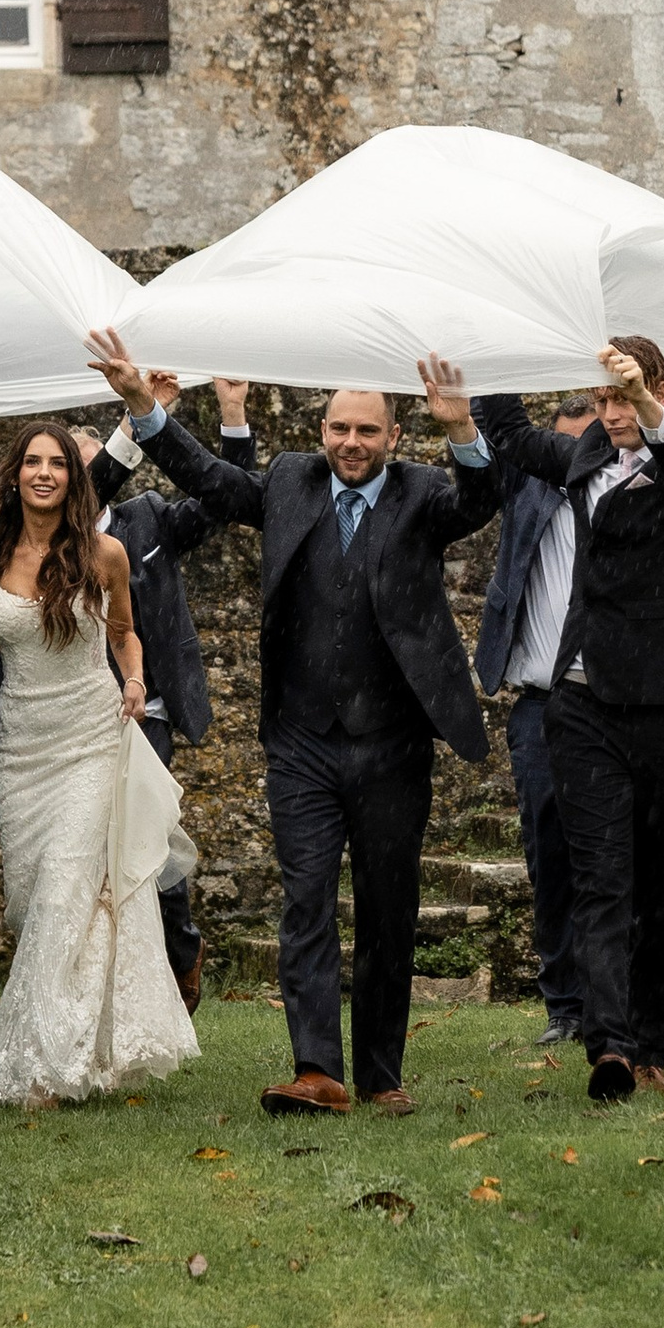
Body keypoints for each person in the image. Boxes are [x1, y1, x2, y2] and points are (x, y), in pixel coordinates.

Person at [88, 329, 500, 1121]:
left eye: (368, 430)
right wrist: (144, 409)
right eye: (340, 428)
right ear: (321, 431)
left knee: (387, 909)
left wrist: (462, 431)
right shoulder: (288, 480)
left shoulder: (421, 492)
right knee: (306, 900)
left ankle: (381, 1075)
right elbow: (211, 481)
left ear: (393, 437)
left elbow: (479, 503)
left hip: (393, 744)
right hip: (302, 743)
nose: (352, 442)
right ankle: (317, 1071)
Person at [473, 332, 664, 1104]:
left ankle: (650, 1043)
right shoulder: (583, 458)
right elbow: (510, 434)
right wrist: (491, 333)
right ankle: (609, 1045)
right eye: (604, 399)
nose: (611, 413)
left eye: (625, 398)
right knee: (601, 879)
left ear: (661, 391)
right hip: (585, 703)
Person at [0, 422, 198, 1105]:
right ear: (15, 474)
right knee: (37, 895)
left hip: (91, 736)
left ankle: (46, 1065)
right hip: (22, 748)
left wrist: (135, 681)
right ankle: (88, 1043)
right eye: (31, 462)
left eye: (57, 464)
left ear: (74, 477)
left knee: (68, 888)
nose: (43, 473)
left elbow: (124, 635)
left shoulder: (104, 553)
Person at [71, 372, 255, 1009]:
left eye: (97, 466)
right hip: (69, 718)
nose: (92, 480)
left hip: (142, 714)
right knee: (86, 852)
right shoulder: (41, 545)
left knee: (147, 840)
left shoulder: (148, 519)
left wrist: (232, 414)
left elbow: (224, 501)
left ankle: (179, 950)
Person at [470, 387, 603, 1047]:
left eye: (586, 445)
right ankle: (565, 1004)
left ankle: (621, 996)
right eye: (560, 445)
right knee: (549, 854)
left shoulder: (625, 493)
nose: (571, 456)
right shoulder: (523, 486)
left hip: (613, 703)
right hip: (540, 705)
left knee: (619, 853)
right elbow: (487, 436)